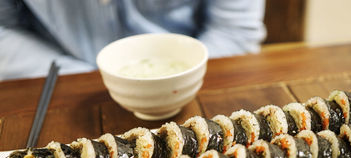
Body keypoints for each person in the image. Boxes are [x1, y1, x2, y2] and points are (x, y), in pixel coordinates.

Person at [0, 0, 266, 80]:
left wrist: (176, 79)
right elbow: (5, 30)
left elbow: (234, 31)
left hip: (191, 87)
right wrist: (87, 79)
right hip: (61, 87)